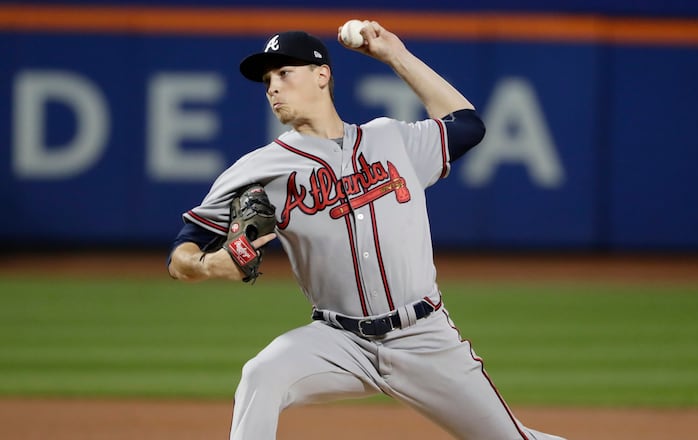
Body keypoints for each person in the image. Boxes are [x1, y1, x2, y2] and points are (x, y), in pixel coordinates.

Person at [168, 20, 566, 440]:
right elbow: (181, 254)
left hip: (424, 338)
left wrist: (396, 55)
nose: (273, 88)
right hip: (339, 341)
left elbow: (467, 124)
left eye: (284, 73)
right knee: (261, 375)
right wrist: (207, 265)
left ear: (322, 75)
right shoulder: (257, 170)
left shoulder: (392, 139)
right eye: (268, 81)